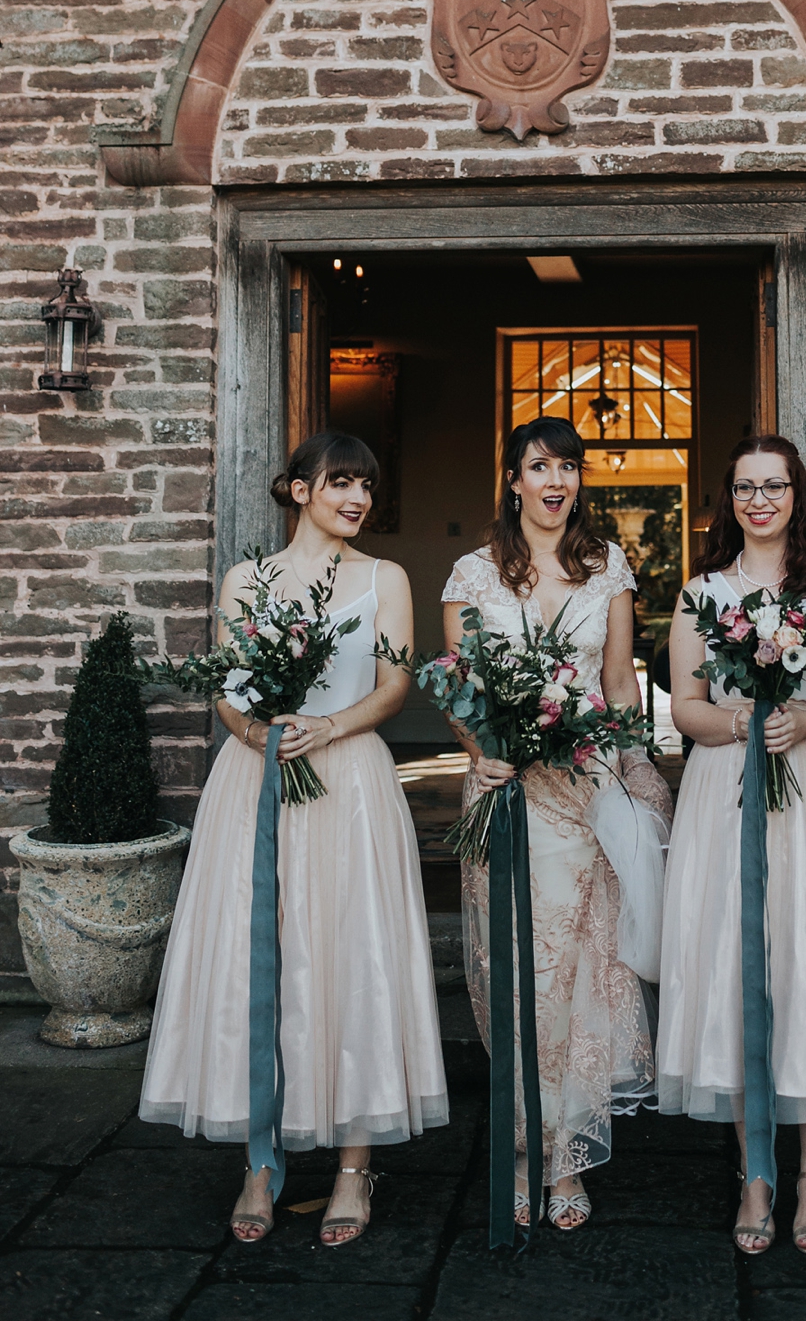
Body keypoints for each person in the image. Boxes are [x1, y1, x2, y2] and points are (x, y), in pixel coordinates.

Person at [140, 432, 447, 1247]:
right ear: (297, 489)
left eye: (367, 487)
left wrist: (326, 725)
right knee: (257, 956)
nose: (357, 498)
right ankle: (261, 1159)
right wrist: (254, 731)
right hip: (259, 779)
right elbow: (229, 693)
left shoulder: (386, 578)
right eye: (341, 482)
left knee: (353, 956)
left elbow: (395, 683)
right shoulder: (249, 580)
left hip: (350, 782)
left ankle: (354, 1166)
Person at [442, 417, 672, 1232]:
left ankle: (567, 1149)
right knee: (516, 971)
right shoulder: (472, 575)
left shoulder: (606, 566)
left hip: (582, 792)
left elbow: (617, 683)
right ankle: (522, 1142)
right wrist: (484, 750)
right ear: (513, 480)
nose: (557, 479)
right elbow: (461, 687)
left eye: (569, 466)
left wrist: (628, 767)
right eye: (540, 465)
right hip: (509, 793)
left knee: (579, 970)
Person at [659, 434, 806, 1256]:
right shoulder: (699, 594)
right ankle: (756, 1173)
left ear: (798, 495)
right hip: (728, 790)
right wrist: (739, 720)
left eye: (774, 486)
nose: (759, 500)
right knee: (738, 964)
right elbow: (684, 705)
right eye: (745, 487)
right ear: (729, 498)